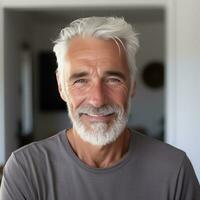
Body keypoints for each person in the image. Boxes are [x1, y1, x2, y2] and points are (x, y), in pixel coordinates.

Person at [0, 16, 199, 200]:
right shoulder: (26, 169)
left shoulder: (174, 169)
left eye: (113, 79)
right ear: (61, 87)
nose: (98, 100)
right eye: (80, 81)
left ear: (132, 85)